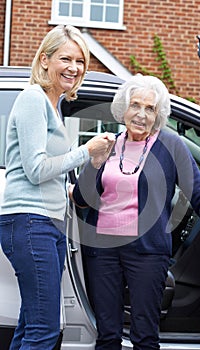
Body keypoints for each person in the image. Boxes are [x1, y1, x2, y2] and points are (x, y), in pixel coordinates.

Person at [69, 74, 200, 350]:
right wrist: (93, 163)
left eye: (150, 108)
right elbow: (82, 198)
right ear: (123, 109)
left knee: (145, 336)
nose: (140, 114)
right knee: (107, 335)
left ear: (158, 114)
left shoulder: (171, 146)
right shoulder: (108, 144)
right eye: (135, 105)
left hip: (148, 253)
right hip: (102, 250)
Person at [0, 25, 115, 350]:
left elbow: (46, 170)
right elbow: (35, 170)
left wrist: (79, 181)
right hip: (30, 222)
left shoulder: (53, 105)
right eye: (66, 58)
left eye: (80, 61)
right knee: (44, 331)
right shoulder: (33, 100)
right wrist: (86, 151)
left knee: (30, 325)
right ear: (45, 59)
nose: (74, 67)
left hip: (45, 222)